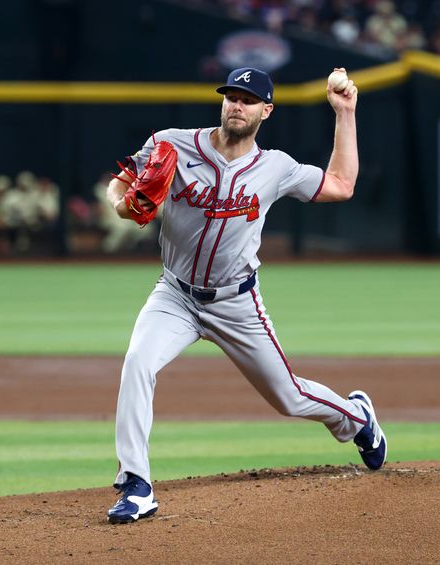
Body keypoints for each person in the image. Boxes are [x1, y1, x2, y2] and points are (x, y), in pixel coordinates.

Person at [104, 67, 387, 524]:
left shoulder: (275, 168)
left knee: (288, 397)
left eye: (249, 99)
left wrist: (345, 114)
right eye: (232, 96)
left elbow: (341, 185)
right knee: (138, 361)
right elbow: (119, 186)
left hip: (237, 303)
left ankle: (355, 418)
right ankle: (136, 484)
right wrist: (122, 204)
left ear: (266, 111)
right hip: (174, 294)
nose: (237, 105)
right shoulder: (173, 144)